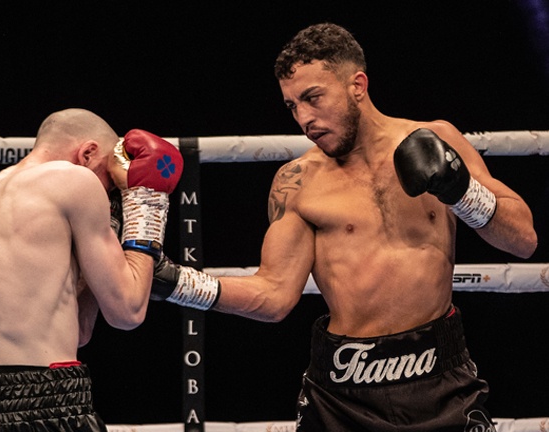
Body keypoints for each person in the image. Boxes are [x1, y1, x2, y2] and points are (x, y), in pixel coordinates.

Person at [149, 23, 537, 431]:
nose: (304, 118)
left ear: (358, 84)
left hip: (440, 379)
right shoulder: (297, 182)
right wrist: (177, 282)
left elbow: (523, 240)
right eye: (292, 106)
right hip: (343, 392)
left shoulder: (436, 139)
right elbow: (274, 295)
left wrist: (462, 192)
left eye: (313, 98)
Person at [0, 108, 182, 431]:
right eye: (110, 181)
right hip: (48, 407)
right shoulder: (75, 180)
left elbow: (79, 331)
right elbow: (128, 310)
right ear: (87, 153)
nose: (110, 193)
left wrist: (109, 226)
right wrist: (146, 203)